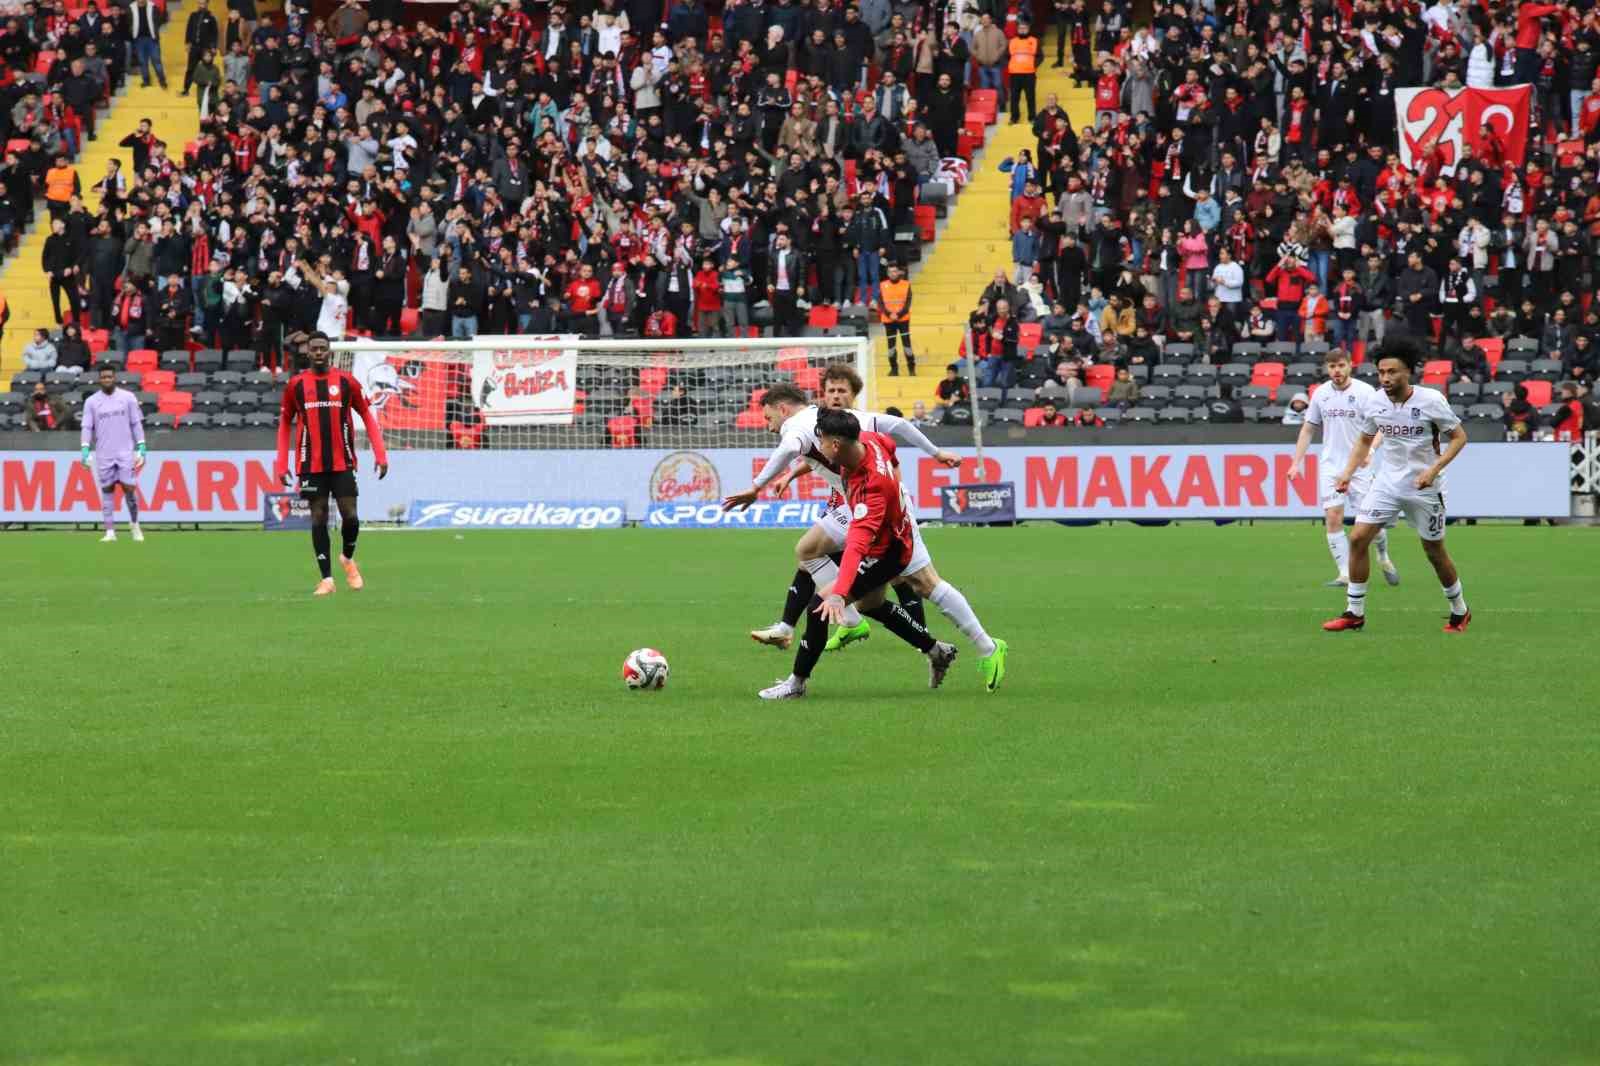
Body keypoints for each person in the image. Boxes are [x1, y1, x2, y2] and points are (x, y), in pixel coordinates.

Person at [756, 407, 1008, 699]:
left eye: (821, 442)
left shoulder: (869, 490)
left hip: (887, 551)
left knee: (819, 605)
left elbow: (857, 547)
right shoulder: (869, 440)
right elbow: (890, 446)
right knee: (873, 603)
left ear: (835, 445)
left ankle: (795, 685)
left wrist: (838, 593)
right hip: (896, 532)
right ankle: (939, 650)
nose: (818, 450)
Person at [725, 376, 960, 654]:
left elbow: (790, 448)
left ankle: (975, 645)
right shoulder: (839, 419)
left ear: (783, 409)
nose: (768, 425)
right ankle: (845, 621)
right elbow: (897, 425)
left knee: (920, 583)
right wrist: (936, 453)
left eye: (768, 417)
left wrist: (755, 487)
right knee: (810, 552)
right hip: (866, 502)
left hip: (875, 505)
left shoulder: (795, 427)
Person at [1324, 335, 1471, 634]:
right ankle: (1354, 613)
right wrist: (1347, 473)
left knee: (1433, 551)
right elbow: (1365, 439)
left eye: (1392, 372)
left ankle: (1460, 610)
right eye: (1381, 373)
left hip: (1425, 487)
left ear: (1408, 372)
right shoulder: (1375, 401)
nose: (1386, 378)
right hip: (1387, 483)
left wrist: (1433, 470)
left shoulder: (1431, 400)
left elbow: (1459, 438)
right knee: (1358, 538)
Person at [273, 332, 391, 596]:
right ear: (307, 352)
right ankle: (326, 579)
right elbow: (284, 424)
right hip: (310, 463)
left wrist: (380, 454)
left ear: (329, 352)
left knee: (350, 515)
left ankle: (348, 559)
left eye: (322, 348)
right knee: (318, 516)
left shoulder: (346, 381)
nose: (317, 352)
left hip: (342, 461)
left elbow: (367, 416)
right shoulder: (296, 385)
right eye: (313, 348)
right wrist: (281, 464)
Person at [1291, 349, 1400, 586]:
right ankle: (1345, 573)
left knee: (1369, 523)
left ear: (1350, 365)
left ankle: (1383, 555)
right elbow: (1308, 429)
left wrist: (1370, 451)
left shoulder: (1366, 392)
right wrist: (1296, 462)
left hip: (1360, 466)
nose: (1336, 371)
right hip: (1331, 465)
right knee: (1332, 516)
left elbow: (1382, 426)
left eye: (1340, 366)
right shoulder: (1320, 394)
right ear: (1326, 369)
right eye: (1331, 367)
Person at [80, 364, 147, 543]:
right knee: (107, 491)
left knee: (129, 490)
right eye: (103, 377)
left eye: (109, 376)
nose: (106, 379)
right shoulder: (92, 401)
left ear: (114, 378)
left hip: (125, 452)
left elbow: (136, 423)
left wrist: (141, 446)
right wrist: (85, 448)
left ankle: (135, 525)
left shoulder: (128, 397)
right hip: (104, 454)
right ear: (99, 379)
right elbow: (87, 426)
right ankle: (110, 531)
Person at [876, 262, 915, 376]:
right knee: (891, 346)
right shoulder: (882, 285)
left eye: (895, 271)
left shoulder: (906, 284)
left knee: (907, 345)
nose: (893, 273)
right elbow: (880, 303)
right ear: (887, 273)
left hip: (903, 319)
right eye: (890, 271)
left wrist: (898, 315)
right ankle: (894, 369)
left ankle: (911, 369)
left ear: (898, 272)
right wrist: (889, 314)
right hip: (889, 321)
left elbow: (908, 302)